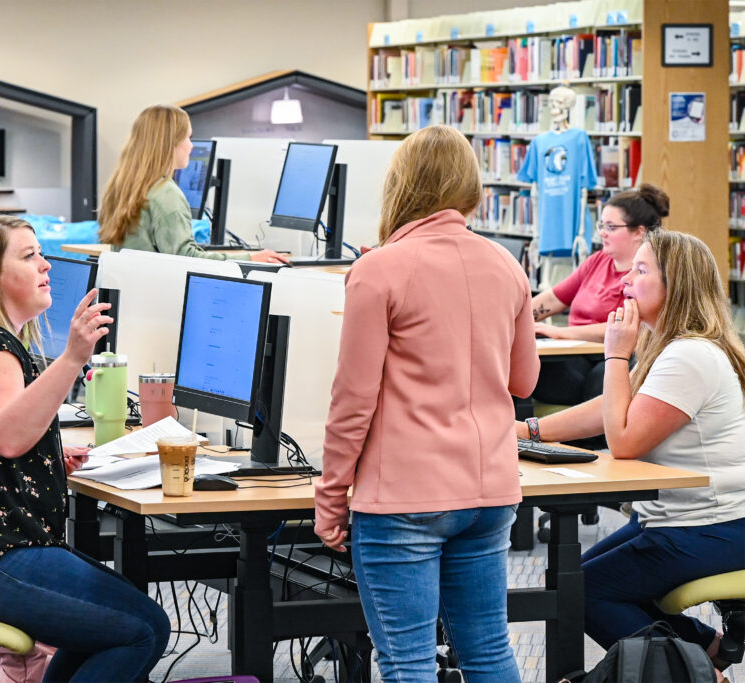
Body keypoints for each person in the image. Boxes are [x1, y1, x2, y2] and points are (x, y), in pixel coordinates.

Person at [0, 215, 170, 682]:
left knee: (116, 626)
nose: (45, 266)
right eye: (28, 256)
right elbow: (6, 437)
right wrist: (73, 357)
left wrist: (47, 456)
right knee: (142, 630)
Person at [314, 125, 540, 682]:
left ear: (401, 184)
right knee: (488, 651)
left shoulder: (379, 269)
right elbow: (524, 380)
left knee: (407, 660)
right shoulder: (507, 266)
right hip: (489, 490)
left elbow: (353, 401)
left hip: (405, 498)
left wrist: (331, 494)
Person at [516, 230, 745, 680]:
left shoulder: (688, 356)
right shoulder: (672, 345)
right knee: (573, 579)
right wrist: (528, 430)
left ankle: (692, 672)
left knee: (578, 593)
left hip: (713, 525)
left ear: (673, 285)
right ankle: (707, 649)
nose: (625, 282)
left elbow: (622, 440)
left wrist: (616, 354)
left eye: (641, 271)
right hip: (678, 517)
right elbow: (610, 410)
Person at [98, 104, 288, 265]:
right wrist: (250, 258)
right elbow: (185, 259)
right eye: (188, 137)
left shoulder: (125, 188)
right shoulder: (165, 194)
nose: (191, 146)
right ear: (170, 142)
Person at [531, 184, 668, 406]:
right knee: (515, 360)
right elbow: (554, 298)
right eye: (601, 225)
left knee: (602, 382)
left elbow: (626, 326)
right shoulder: (598, 260)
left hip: (613, 355)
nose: (602, 233)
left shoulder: (647, 275)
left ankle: (588, 437)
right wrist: (516, 319)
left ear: (639, 233)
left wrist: (561, 332)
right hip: (574, 354)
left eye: (611, 227)